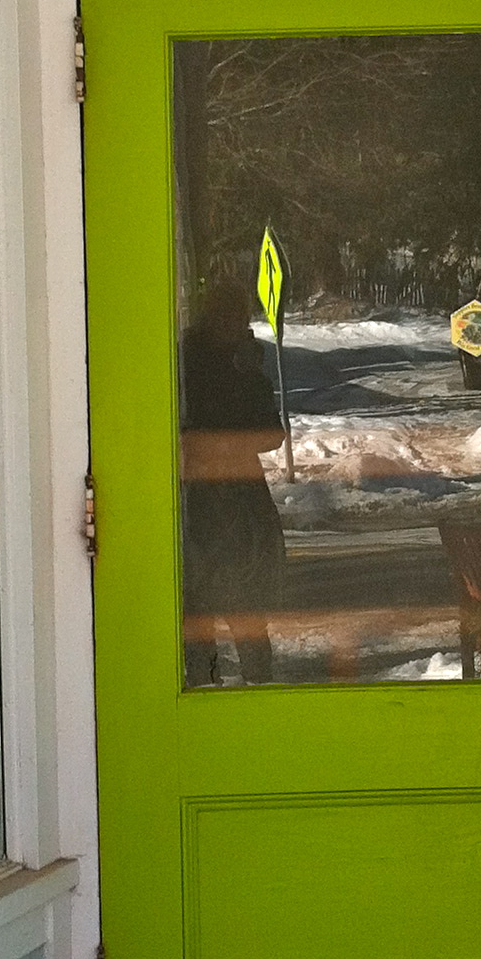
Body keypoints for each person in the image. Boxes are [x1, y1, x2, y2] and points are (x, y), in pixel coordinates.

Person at [178, 273, 286, 686]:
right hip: (198, 497)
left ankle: (256, 689)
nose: (231, 325)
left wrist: (233, 440)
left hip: (239, 501)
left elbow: (272, 434)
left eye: (237, 318)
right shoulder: (185, 365)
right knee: (199, 606)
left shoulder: (245, 365)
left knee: (245, 608)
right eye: (224, 317)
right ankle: (205, 687)